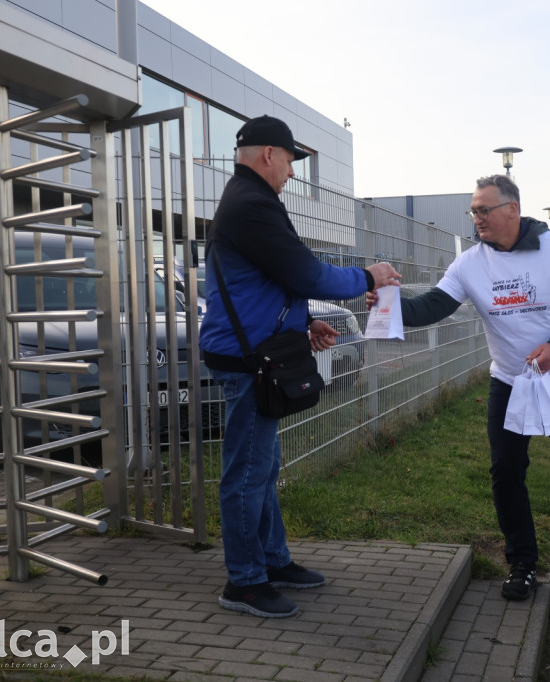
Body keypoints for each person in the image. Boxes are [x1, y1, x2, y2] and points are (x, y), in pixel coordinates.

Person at [200, 115, 401, 619]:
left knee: (263, 466)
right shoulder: (251, 205)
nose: (291, 172)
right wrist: (365, 274)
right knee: (247, 471)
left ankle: (271, 560)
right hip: (247, 359)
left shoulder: (254, 201)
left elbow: (272, 280)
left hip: (259, 350)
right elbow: (304, 272)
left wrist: (305, 320)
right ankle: (244, 582)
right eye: (290, 160)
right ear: (269, 153)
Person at [380, 174, 550, 602]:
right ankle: (522, 563)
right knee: (506, 472)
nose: (477, 218)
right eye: (473, 211)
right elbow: (435, 304)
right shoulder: (471, 263)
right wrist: (388, 303)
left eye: (484, 210)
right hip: (509, 381)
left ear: (513, 209)